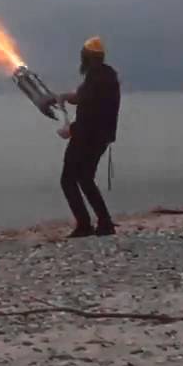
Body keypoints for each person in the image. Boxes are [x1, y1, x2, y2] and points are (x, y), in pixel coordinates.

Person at [56, 36, 120, 237]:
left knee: (68, 179)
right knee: (85, 178)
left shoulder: (96, 79)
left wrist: (71, 130)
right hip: (101, 137)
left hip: (87, 137)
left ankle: (85, 224)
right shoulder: (105, 76)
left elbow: (91, 113)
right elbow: (83, 98)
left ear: (87, 57)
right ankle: (104, 223)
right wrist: (66, 97)